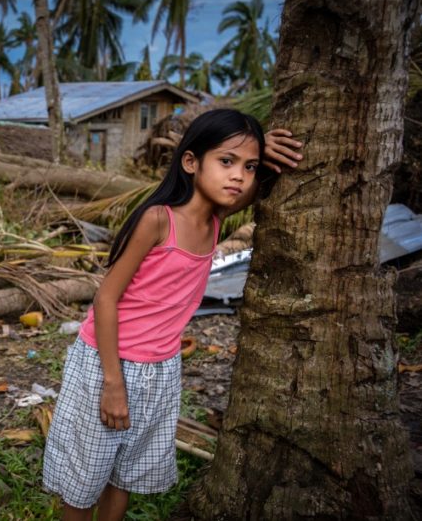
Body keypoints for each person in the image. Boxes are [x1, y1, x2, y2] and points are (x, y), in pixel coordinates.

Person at [42, 108, 303, 520]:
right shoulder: (157, 220)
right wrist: (113, 383)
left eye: (248, 167)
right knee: (82, 478)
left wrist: (261, 150)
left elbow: (254, 186)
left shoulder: (215, 218)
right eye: (226, 161)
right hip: (105, 364)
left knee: (123, 474)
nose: (238, 175)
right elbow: (106, 299)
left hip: (161, 370)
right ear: (190, 161)